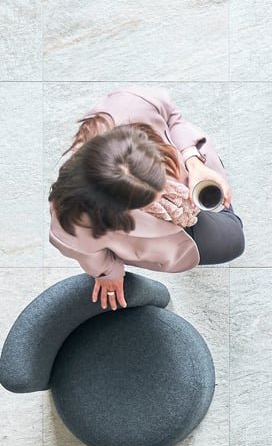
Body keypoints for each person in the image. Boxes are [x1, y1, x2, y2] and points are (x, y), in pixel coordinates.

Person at [49, 87, 245, 312]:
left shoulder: (132, 103)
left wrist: (193, 160)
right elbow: (87, 252)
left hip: (191, 174)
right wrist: (107, 274)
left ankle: (209, 184)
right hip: (157, 237)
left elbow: (172, 116)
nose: (164, 193)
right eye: (148, 198)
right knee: (233, 243)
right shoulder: (73, 217)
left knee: (223, 220)